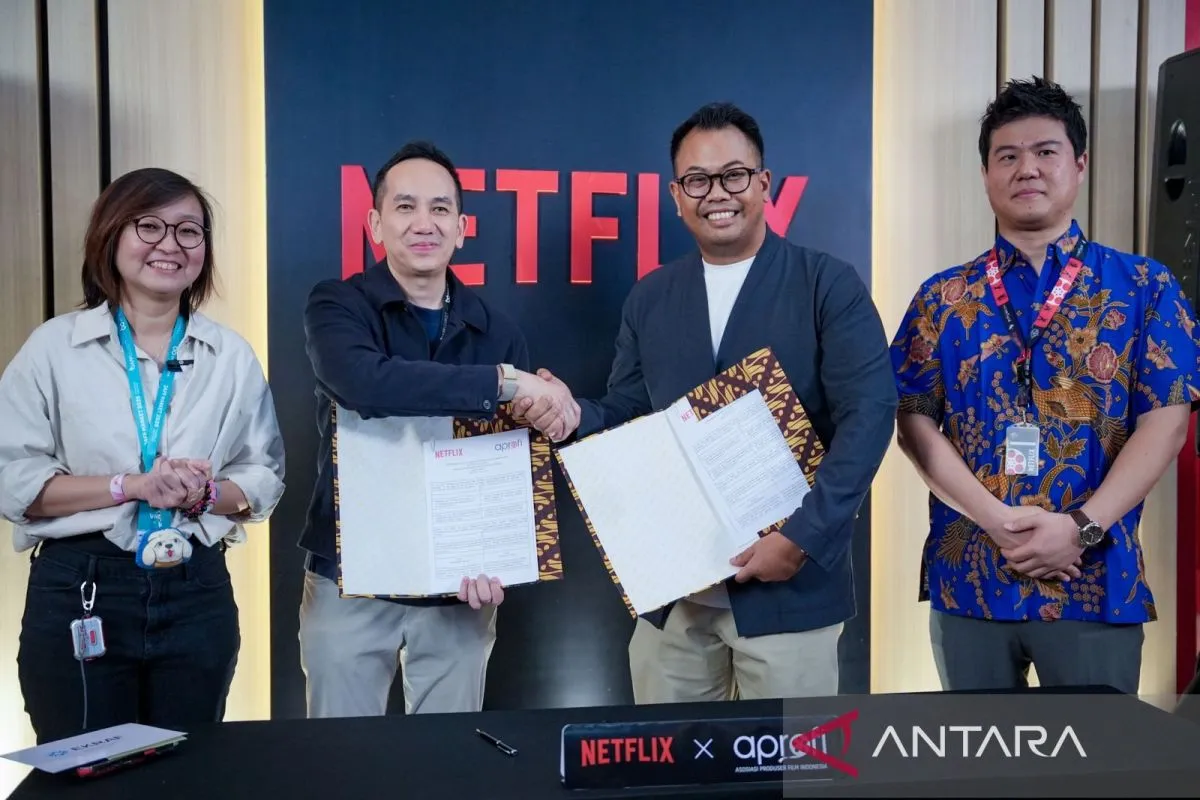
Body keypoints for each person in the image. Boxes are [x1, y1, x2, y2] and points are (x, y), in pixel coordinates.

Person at [518, 102, 898, 703]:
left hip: (789, 590)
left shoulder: (826, 284)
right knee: (666, 754)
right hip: (677, 594)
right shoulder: (651, 297)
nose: (716, 193)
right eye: (697, 180)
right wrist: (572, 413)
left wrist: (802, 538)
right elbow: (628, 409)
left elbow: (870, 416)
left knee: (790, 759)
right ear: (676, 195)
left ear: (764, 183)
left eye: (733, 175)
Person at [890, 76, 1200, 694]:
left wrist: (1081, 527)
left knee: (1098, 753)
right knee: (975, 752)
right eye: (1007, 155)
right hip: (972, 579)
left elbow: (1166, 422)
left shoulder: (1145, 286)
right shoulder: (942, 297)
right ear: (985, 174)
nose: (1026, 168)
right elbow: (913, 421)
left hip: (1095, 578)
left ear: (1079, 164)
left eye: (1045, 151)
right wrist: (994, 519)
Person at [0, 167, 286, 744]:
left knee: (188, 771)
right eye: (149, 226)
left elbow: (262, 477)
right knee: (84, 766)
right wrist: (130, 486)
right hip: (82, 584)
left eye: (189, 231)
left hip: (196, 587)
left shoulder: (230, 355)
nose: (170, 244)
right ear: (111, 236)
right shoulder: (55, 348)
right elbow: (14, 484)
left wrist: (204, 494)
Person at [297, 140, 575, 718]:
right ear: (375, 224)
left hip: (461, 581)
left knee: (449, 754)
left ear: (462, 228)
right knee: (338, 756)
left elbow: (510, 461)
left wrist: (501, 555)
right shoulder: (338, 306)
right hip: (349, 574)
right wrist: (502, 382)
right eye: (405, 207)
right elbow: (364, 384)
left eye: (440, 208)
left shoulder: (498, 331)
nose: (423, 223)